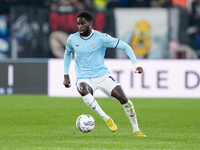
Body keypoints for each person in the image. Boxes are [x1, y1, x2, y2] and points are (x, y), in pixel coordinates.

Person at [63, 11, 146, 137]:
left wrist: (136, 64)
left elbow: (125, 46)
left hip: (102, 75)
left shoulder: (101, 38)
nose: (80, 26)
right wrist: (66, 75)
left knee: (124, 99)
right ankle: (106, 118)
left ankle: (136, 130)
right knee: (82, 89)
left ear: (90, 23)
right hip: (83, 77)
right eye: (78, 24)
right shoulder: (72, 39)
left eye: (83, 23)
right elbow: (68, 53)